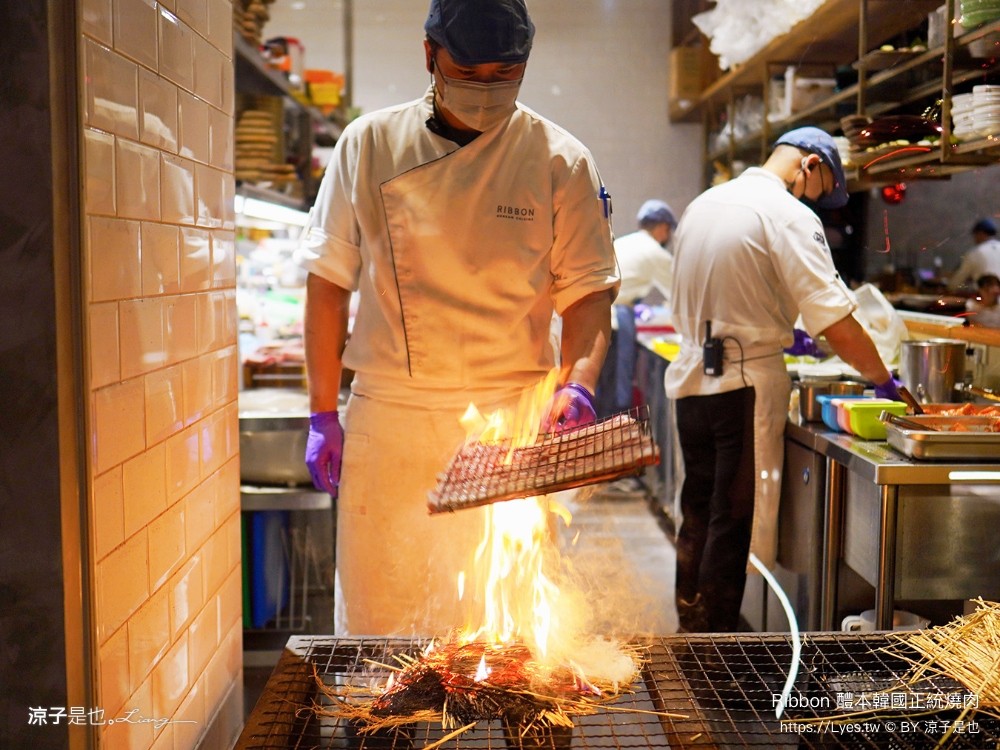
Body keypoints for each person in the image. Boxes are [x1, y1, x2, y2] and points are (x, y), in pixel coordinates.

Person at [298, 0, 619, 636]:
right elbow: (327, 285)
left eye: (505, 74)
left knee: (503, 631)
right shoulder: (369, 143)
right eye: (470, 72)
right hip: (390, 421)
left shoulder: (561, 160)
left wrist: (576, 385)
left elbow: (586, 296)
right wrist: (321, 410)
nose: (486, 90)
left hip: (508, 425)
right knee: (379, 624)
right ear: (429, 56)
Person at [663, 127, 901, 633]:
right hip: (743, 383)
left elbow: (728, 283)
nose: (816, 201)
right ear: (809, 165)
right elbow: (835, 318)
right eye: (820, 190)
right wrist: (883, 379)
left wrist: (781, 328)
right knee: (733, 517)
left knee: (699, 506)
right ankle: (718, 642)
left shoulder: (707, 201)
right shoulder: (788, 213)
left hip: (691, 380)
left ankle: (691, 624)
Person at [595, 200, 677, 417]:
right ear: (662, 228)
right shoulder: (655, 252)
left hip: (597, 318)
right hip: (615, 323)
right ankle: (613, 440)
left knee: (601, 386)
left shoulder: (627, 241)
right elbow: (679, 293)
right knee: (617, 388)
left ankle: (598, 437)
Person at [948, 218, 1000, 291]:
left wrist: (949, 287)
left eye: (975, 235)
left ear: (980, 234)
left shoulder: (975, 253)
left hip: (987, 297)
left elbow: (957, 280)